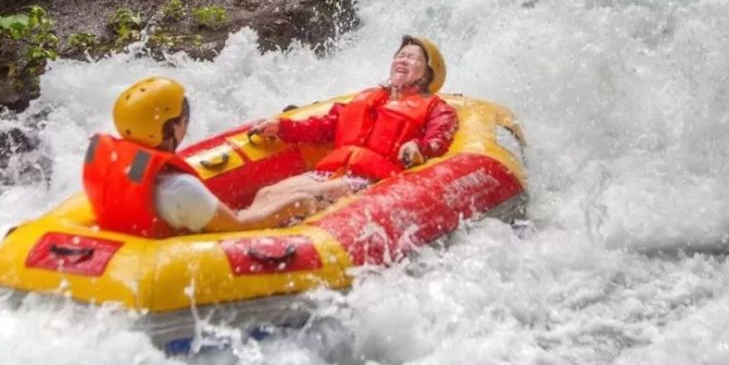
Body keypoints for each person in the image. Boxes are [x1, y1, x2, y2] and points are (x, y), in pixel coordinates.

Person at [83, 77, 318, 237]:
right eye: (184, 117)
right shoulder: (180, 189)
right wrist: (296, 203)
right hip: (169, 264)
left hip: (134, 243)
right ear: (171, 128)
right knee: (300, 199)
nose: (187, 122)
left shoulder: (112, 166)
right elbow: (238, 227)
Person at [245, 35, 458, 210]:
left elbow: (439, 141)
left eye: (412, 58)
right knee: (267, 193)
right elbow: (322, 126)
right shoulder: (367, 98)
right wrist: (281, 128)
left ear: (428, 73)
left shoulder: (437, 108)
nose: (403, 60)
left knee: (299, 198)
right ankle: (231, 231)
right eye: (400, 55)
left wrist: (418, 148)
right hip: (334, 172)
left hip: (375, 181)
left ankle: (244, 233)